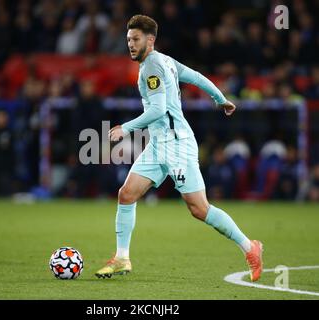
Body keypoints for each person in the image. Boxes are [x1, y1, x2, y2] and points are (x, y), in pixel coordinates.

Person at [95, 15, 263, 282]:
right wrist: (220, 98)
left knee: (199, 209)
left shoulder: (152, 66)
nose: (131, 44)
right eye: (128, 40)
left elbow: (158, 108)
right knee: (126, 194)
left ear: (150, 40)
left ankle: (250, 247)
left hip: (177, 145)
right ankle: (122, 258)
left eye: (135, 39)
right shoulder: (166, 61)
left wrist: (126, 128)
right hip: (158, 144)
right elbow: (196, 77)